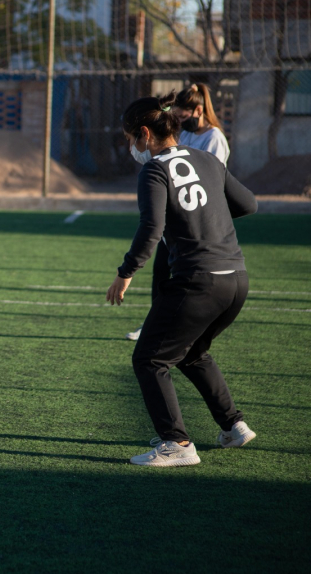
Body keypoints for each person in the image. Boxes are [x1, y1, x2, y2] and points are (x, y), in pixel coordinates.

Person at [107, 93, 258, 467]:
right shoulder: (207, 159)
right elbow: (248, 204)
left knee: (149, 359)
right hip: (236, 280)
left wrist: (125, 273)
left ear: (144, 133)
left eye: (130, 139)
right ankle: (233, 426)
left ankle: (177, 444)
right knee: (192, 352)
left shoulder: (154, 169)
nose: (132, 147)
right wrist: (209, 219)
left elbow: (151, 228)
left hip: (199, 281)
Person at [126, 82, 230, 341]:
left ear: (198, 110)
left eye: (184, 116)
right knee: (161, 270)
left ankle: (181, 324)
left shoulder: (214, 138)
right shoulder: (181, 140)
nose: (181, 122)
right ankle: (156, 323)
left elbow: (213, 178)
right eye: (178, 117)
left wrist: (125, 272)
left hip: (196, 220)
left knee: (148, 361)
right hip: (177, 218)